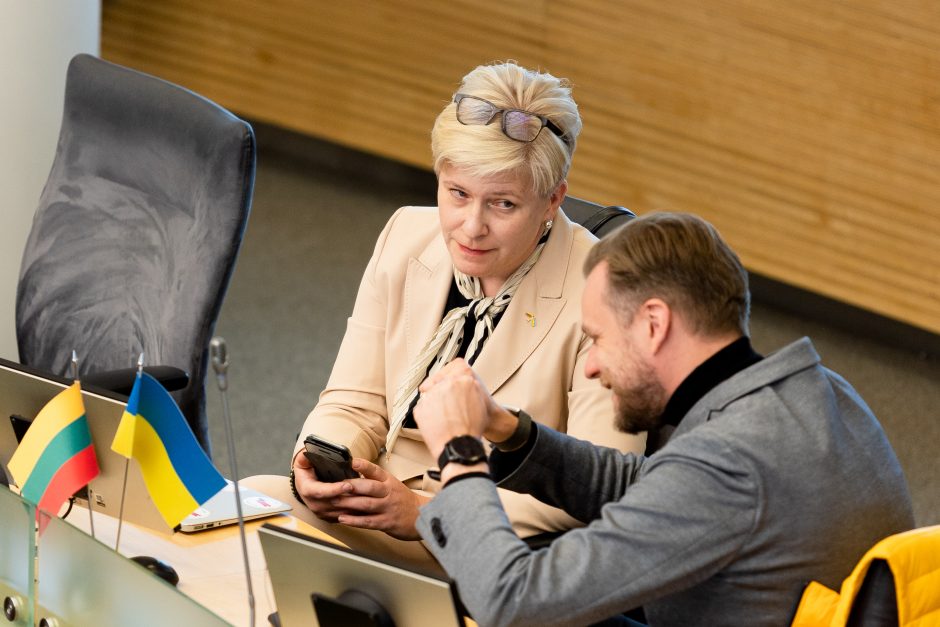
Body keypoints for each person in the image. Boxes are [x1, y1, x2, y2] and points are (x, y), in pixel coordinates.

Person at [413, 212, 915, 626]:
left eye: (599, 338)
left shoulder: (729, 462)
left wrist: (460, 453)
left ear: (654, 325)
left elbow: (510, 601)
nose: (590, 364)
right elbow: (658, 486)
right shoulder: (815, 391)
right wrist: (509, 431)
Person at [251, 61, 644, 560]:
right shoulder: (406, 235)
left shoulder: (605, 287)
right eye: (457, 194)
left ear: (552, 201)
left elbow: (598, 483)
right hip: (376, 503)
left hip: (492, 543)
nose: (470, 227)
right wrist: (323, 460)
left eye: (502, 205)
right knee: (253, 505)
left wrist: (423, 513)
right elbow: (354, 401)